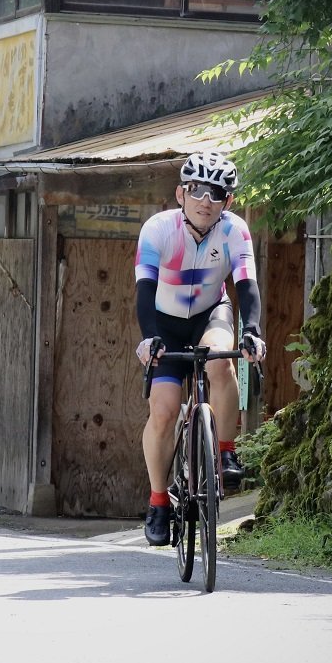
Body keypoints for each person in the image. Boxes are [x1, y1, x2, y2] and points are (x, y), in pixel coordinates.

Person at [134, 150, 266, 546]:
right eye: (197, 191)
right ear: (181, 194)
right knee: (163, 410)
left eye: (216, 193)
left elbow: (246, 285)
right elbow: (144, 290)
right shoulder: (158, 230)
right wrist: (149, 337)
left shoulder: (235, 231)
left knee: (220, 363)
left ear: (228, 201)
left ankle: (225, 451)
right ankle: (159, 501)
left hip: (212, 312)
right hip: (165, 324)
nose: (206, 201)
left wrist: (253, 331)